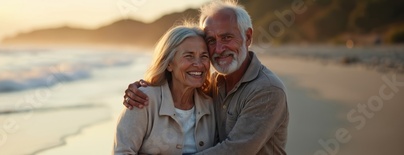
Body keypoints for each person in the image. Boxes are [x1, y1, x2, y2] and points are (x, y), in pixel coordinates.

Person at [123, 1, 289, 154]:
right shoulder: (213, 84)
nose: (219, 48)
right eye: (211, 40)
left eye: (227, 37)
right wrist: (140, 88)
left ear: (248, 37)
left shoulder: (267, 89)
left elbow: (234, 150)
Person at [114, 24, 217, 154]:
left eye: (204, 56)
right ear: (169, 64)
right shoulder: (142, 100)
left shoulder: (211, 105)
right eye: (189, 56)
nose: (198, 64)